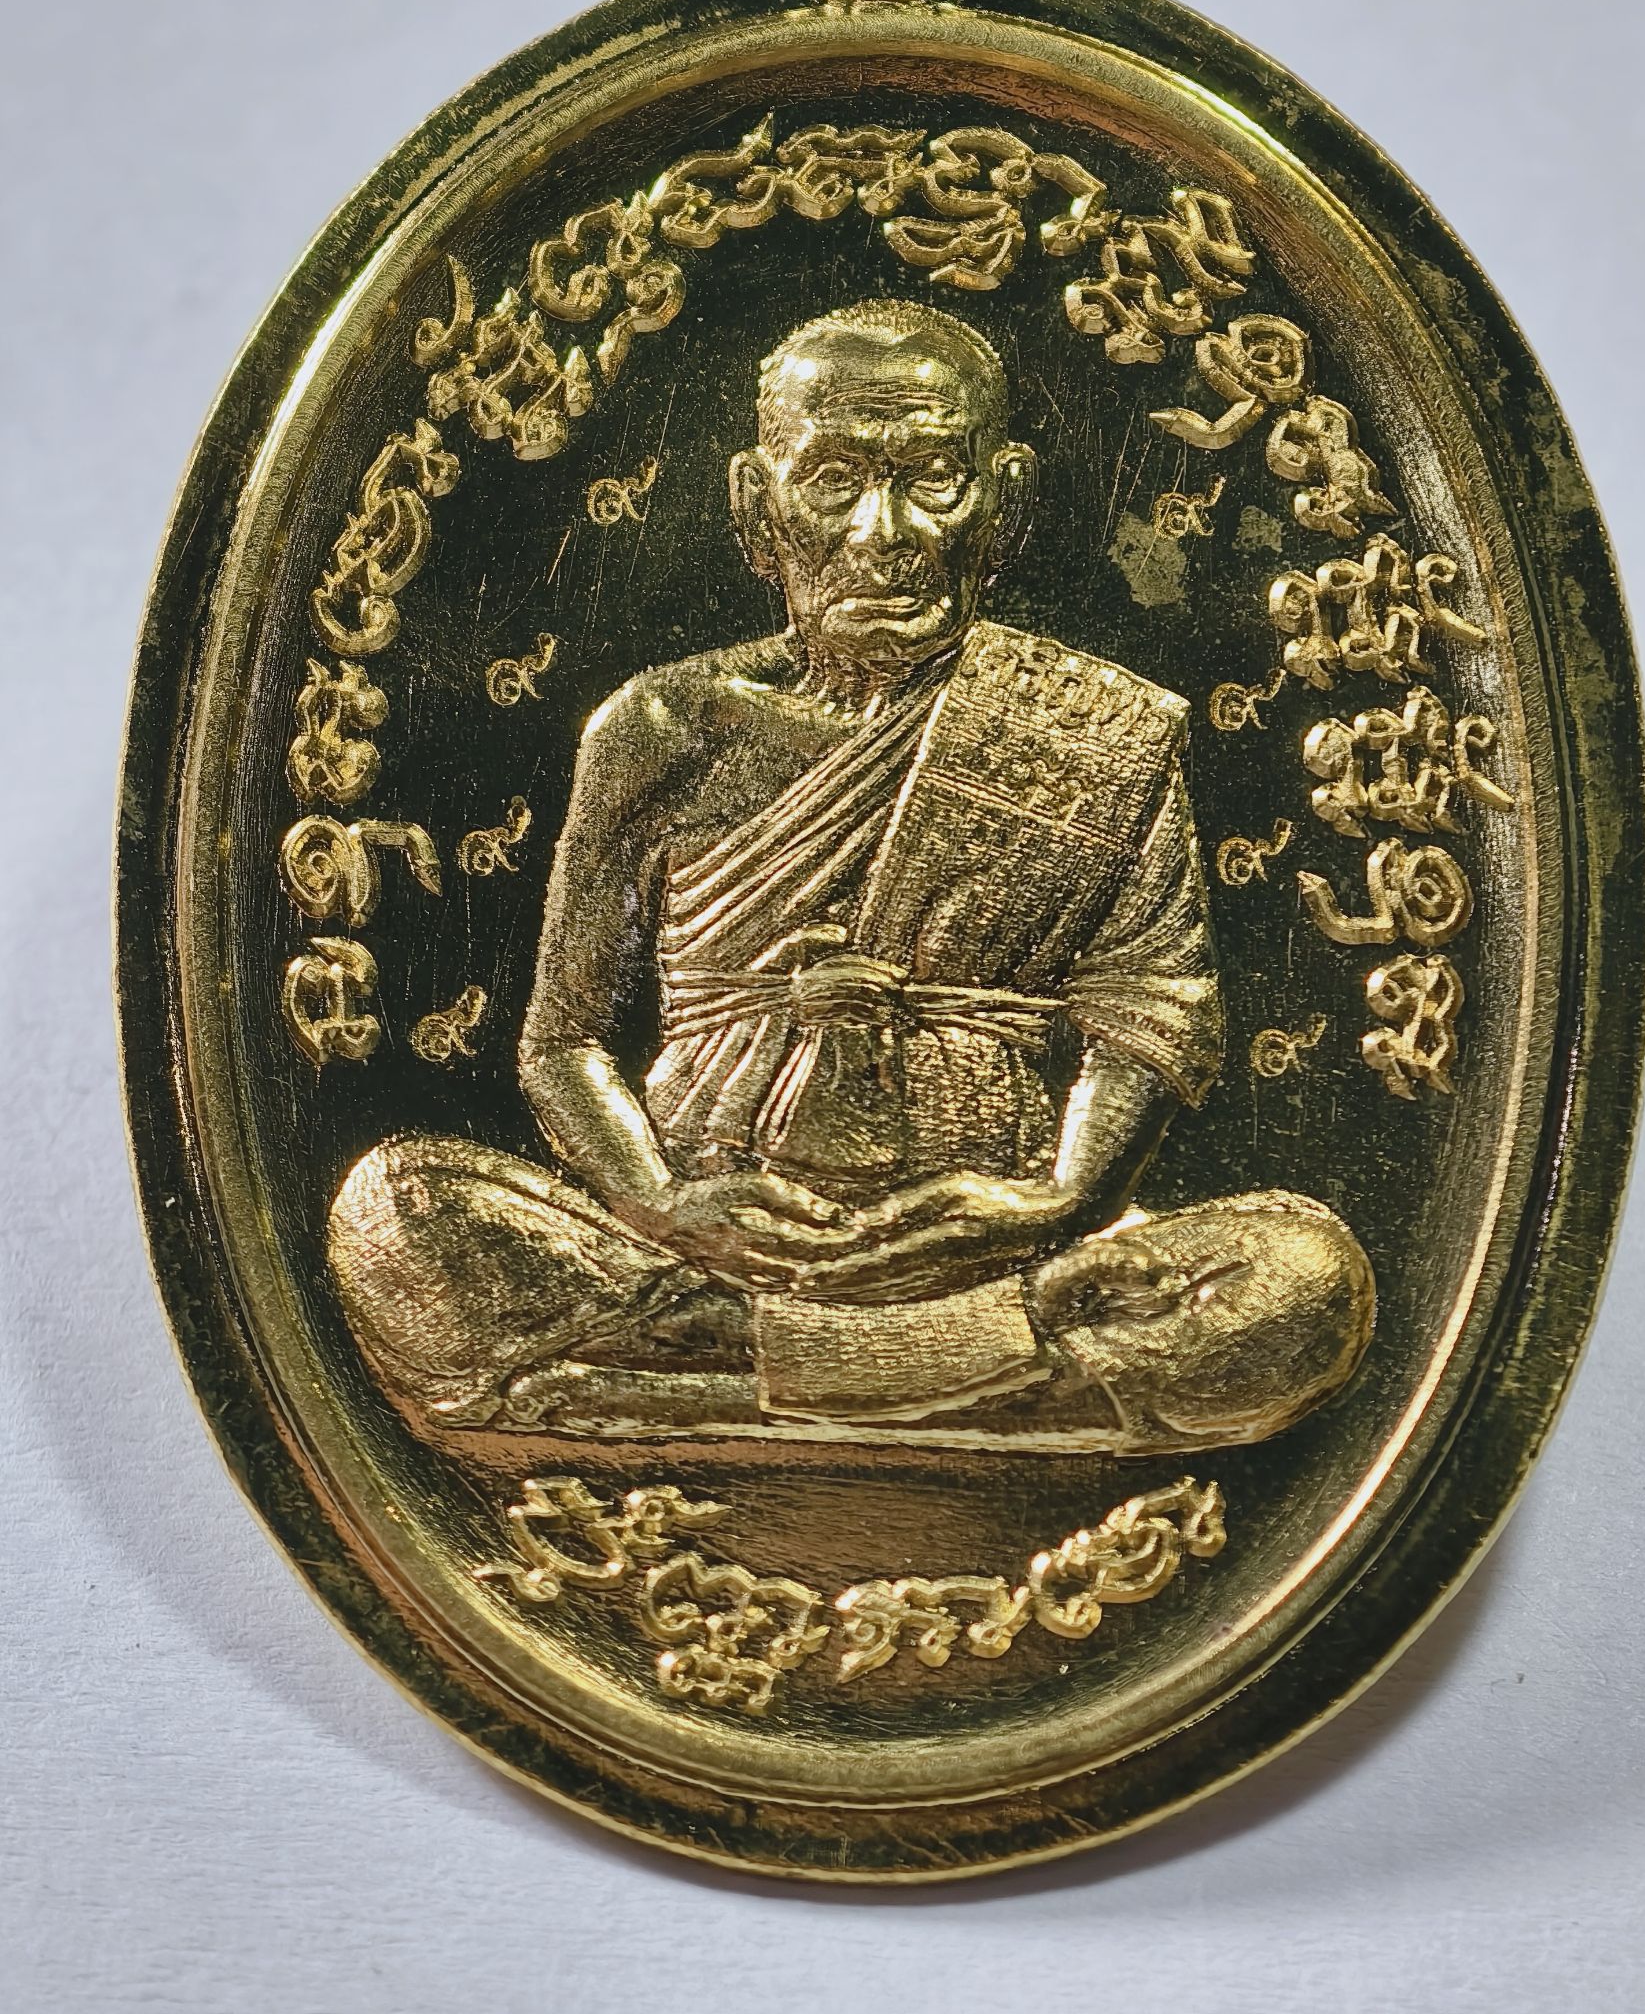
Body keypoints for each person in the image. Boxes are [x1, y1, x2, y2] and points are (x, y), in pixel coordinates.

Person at [328, 298, 1374, 1452]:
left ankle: (721, 1385)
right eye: (833, 480)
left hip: (997, 1248)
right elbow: (563, 1042)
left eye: (934, 478)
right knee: (397, 1211)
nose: (885, 531)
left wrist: (1055, 1200)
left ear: (1005, 500)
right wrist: (660, 1201)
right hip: (715, 1247)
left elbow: (1151, 1013)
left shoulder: (1095, 728)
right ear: (756, 505)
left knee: (1304, 1273)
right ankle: (970, 1384)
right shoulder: (662, 724)